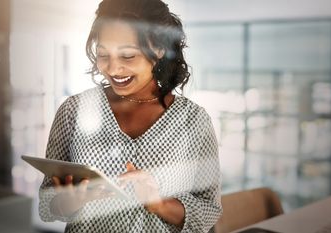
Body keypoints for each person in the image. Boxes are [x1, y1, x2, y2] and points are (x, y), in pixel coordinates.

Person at [38, 0, 222, 232]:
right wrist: (69, 203)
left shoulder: (193, 121)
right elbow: (46, 205)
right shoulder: (73, 110)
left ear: (158, 49)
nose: (113, 69)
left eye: (127, 56)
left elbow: (210, 210)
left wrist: (159, 204)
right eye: (103, 54)